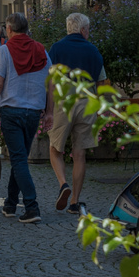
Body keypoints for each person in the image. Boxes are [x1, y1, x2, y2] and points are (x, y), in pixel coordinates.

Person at [0, 12, 52, 224]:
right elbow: (51, 85)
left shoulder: (5, 51)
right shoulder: (42, 51)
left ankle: (31, 206)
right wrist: (49, 112)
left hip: (11, 111)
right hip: (33, 112)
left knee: (19, 158)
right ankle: (10, 203)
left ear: (9, 29)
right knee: (19, 156)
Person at [46, 12, 104, 215]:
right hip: (87, 103)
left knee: (55, 149)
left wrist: (49, 110)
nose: (89, 32)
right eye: (88, 29)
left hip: (63, 102)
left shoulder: (57, 48)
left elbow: (51, 82)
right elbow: (101, 81)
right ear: (82, 30)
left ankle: (63, 184)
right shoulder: (93, 50)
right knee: (79, 154)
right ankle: (74, 201)